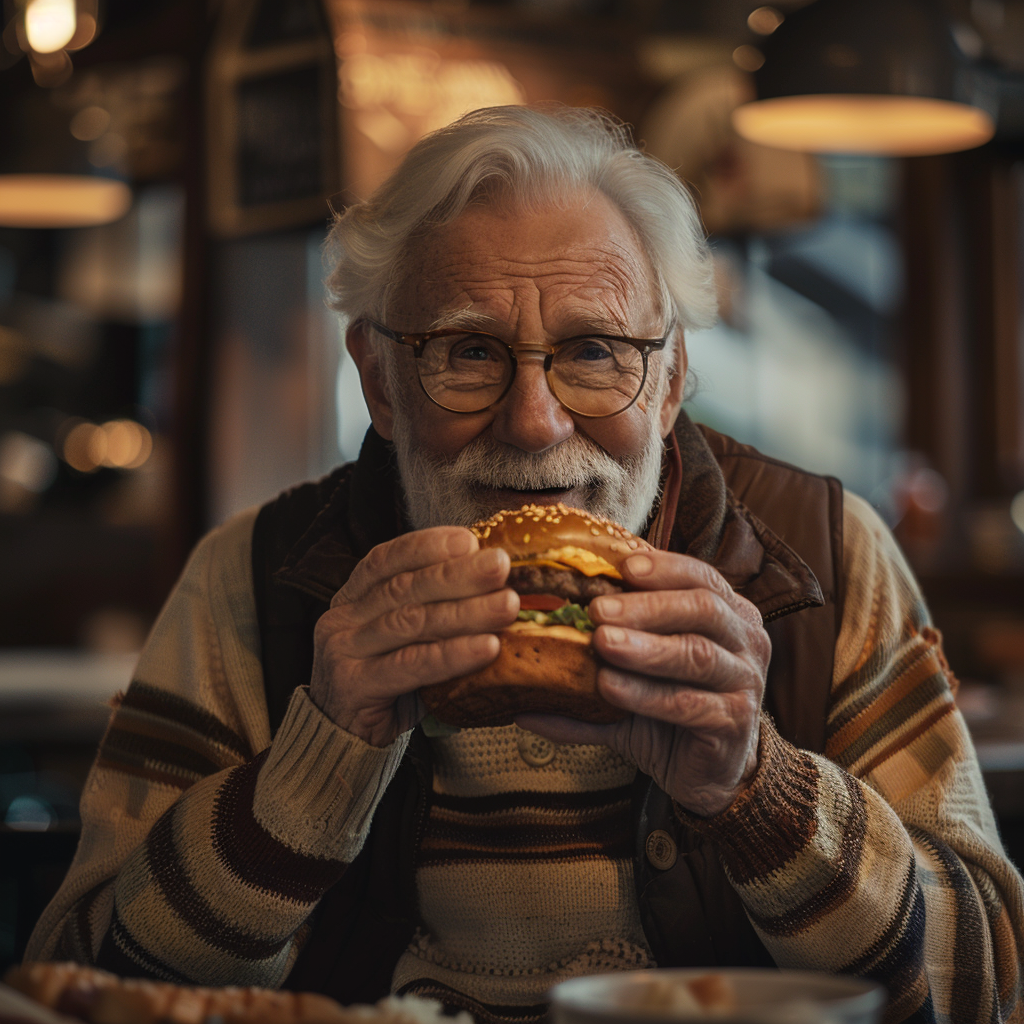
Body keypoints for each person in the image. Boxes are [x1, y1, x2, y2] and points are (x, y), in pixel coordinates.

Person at [27, 106, 1024, 1024]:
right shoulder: (249, 576)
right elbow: (82, 978)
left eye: (595, 350)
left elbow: (988, 984)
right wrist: (313, 767)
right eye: (467, 350)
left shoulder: (826, 555)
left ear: (671, 380)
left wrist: (756, 790)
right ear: (379, 380)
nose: (533, 423)